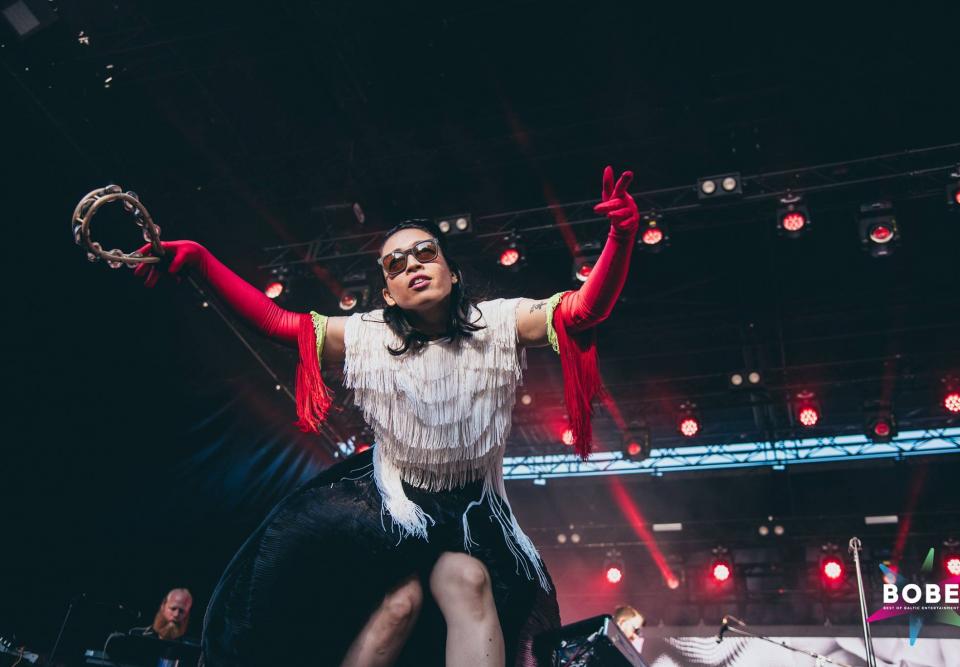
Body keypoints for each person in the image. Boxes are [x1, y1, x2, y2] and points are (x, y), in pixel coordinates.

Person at [132, 166, 639, 666]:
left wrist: (619, 237)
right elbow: (278, 321)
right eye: (395, 264)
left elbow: (583, 310)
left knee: (471, 582)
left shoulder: (500, 322)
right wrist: (201, 262)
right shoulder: (369, 334)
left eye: (426, 253)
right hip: (387, 505)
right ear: (389, 292)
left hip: (468, 512)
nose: (413, 264)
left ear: (452, 272)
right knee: (401, 604)